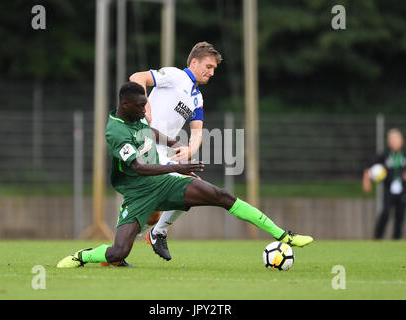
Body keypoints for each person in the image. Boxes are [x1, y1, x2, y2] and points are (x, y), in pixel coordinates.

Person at [56, 82, 313, 269]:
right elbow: (138, 168)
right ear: (126, 105)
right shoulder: (115, 132)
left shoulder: (136, 115)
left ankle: (283, 235)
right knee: (117, 252)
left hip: (163, 182)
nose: (146, 109)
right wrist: (175, 168)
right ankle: (84, 256)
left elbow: (149, 130)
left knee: (220, 195)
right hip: (138, 193)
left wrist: (172, 142)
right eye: (141, 105)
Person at [128, 42, 222, 261]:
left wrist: (190, 149)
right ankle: (157, 233)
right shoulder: (174, 75)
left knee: (153, 213)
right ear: (194, 62)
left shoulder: (197, 98)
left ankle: (121, 247)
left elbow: (197, 132)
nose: (211, 72)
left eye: (214, 69)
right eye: (208, 66)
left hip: (163, 150)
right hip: (144, 144)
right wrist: (145, 105)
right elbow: (137, 77)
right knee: (191, 185)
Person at [362, 128, 406, 239]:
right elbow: (368, 168)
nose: (395, 142)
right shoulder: (384, 155)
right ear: (389, 142)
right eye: (392, 139)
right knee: (385, 212)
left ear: (402, 141)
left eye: (397, 139)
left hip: (403, 190)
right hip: (388, 189)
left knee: (400, 216)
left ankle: (396, 240)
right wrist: (366, 181)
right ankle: (377, 238)